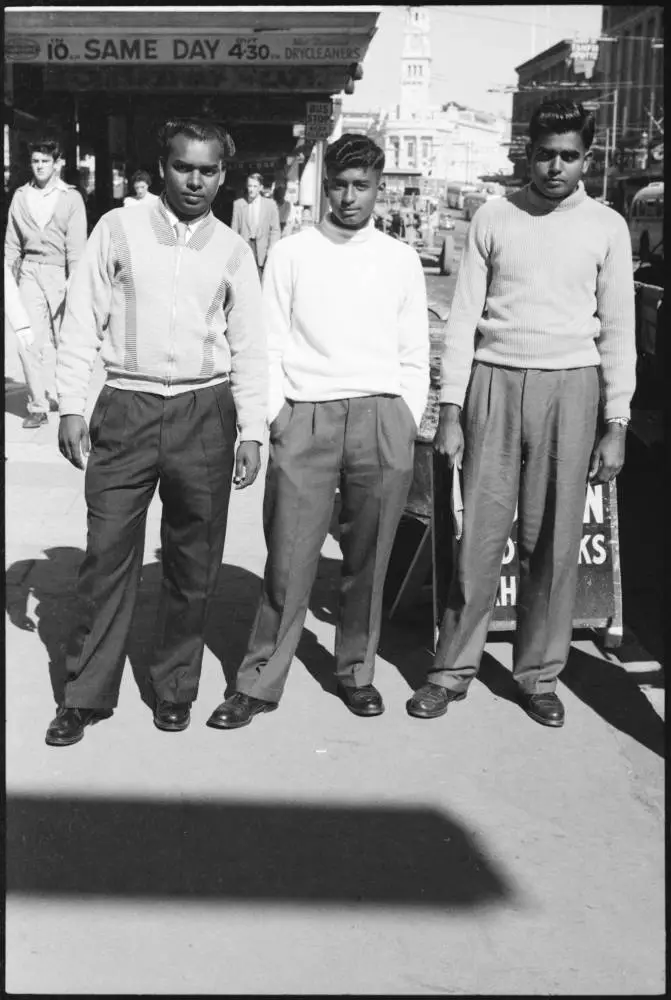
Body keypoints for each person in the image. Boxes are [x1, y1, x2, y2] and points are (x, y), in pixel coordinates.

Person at [407, 99, 636, 729]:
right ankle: (451, 670)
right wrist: (450, 408)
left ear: (586, 158)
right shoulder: (493, 217)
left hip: (573, 387)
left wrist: (616, 423)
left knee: (554, 542)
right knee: (479, 535)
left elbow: (618, 330)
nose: (555, 167)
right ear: (525, 154)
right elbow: (461, 324)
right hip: (494, 385)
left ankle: (539, 675)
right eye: (545, 154)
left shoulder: (607, 226)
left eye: (569, 156)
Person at [45, 117, 268, 747]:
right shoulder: (118, 228)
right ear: (162, 166)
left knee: (193, 564)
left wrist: (252, 428)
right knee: (107, 556)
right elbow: (82, 319)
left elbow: (251, 345)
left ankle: (175, 688)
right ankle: (84, 695)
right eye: (182, 167)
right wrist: (69, 404)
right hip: (127, 407)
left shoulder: (232, 249)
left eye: (207, 170)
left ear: (223, 175)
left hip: (205, 411)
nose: (194, 181)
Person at [207, 133, 429, 730]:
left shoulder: (400, 259)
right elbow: (269, 339)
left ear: (380, 189)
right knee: (288, 557)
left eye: (362, 186)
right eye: (339, 185)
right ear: (323, 184)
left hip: (381, 415)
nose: (350, 197)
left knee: (367, 559)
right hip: (306, 416)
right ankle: (259, 680)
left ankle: (355, 670)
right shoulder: (292, 253)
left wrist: (405, 413)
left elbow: (415, 349)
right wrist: (277, 415)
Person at [4, 137, 88, 428]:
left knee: (68, 344)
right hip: (28, 273)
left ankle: (70, 403)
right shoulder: (20, 196)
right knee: (26, 342)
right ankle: (37, 405)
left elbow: (77, 249)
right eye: (35, 161)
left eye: (45, 161)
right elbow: (12, 246)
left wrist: (73, 283)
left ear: (57, 163)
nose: (39, 166)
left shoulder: (71, 198)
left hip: (59, 275)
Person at [231, 172, 281, 276]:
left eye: (255, 186)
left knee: (260, 282)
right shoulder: (239, 204)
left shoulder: (270, 205)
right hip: (245, 247)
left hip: (262, 250)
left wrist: (271, 249)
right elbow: (234, 230)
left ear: (261, 188)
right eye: (249, 186)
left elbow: (275, 230)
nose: (251, 189)